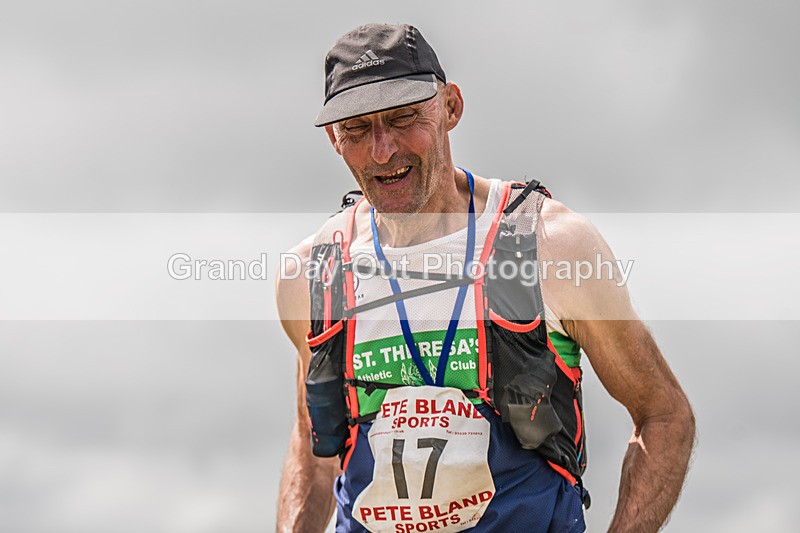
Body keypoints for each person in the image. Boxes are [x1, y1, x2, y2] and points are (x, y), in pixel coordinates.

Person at [276, 23, 694, 533]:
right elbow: (316, 450)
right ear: (332, 139)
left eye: (404, 118)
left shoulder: (551, 246)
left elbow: (664, 416)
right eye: (357, 130)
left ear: (450, 106)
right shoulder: (314, 272)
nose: (382, 150)